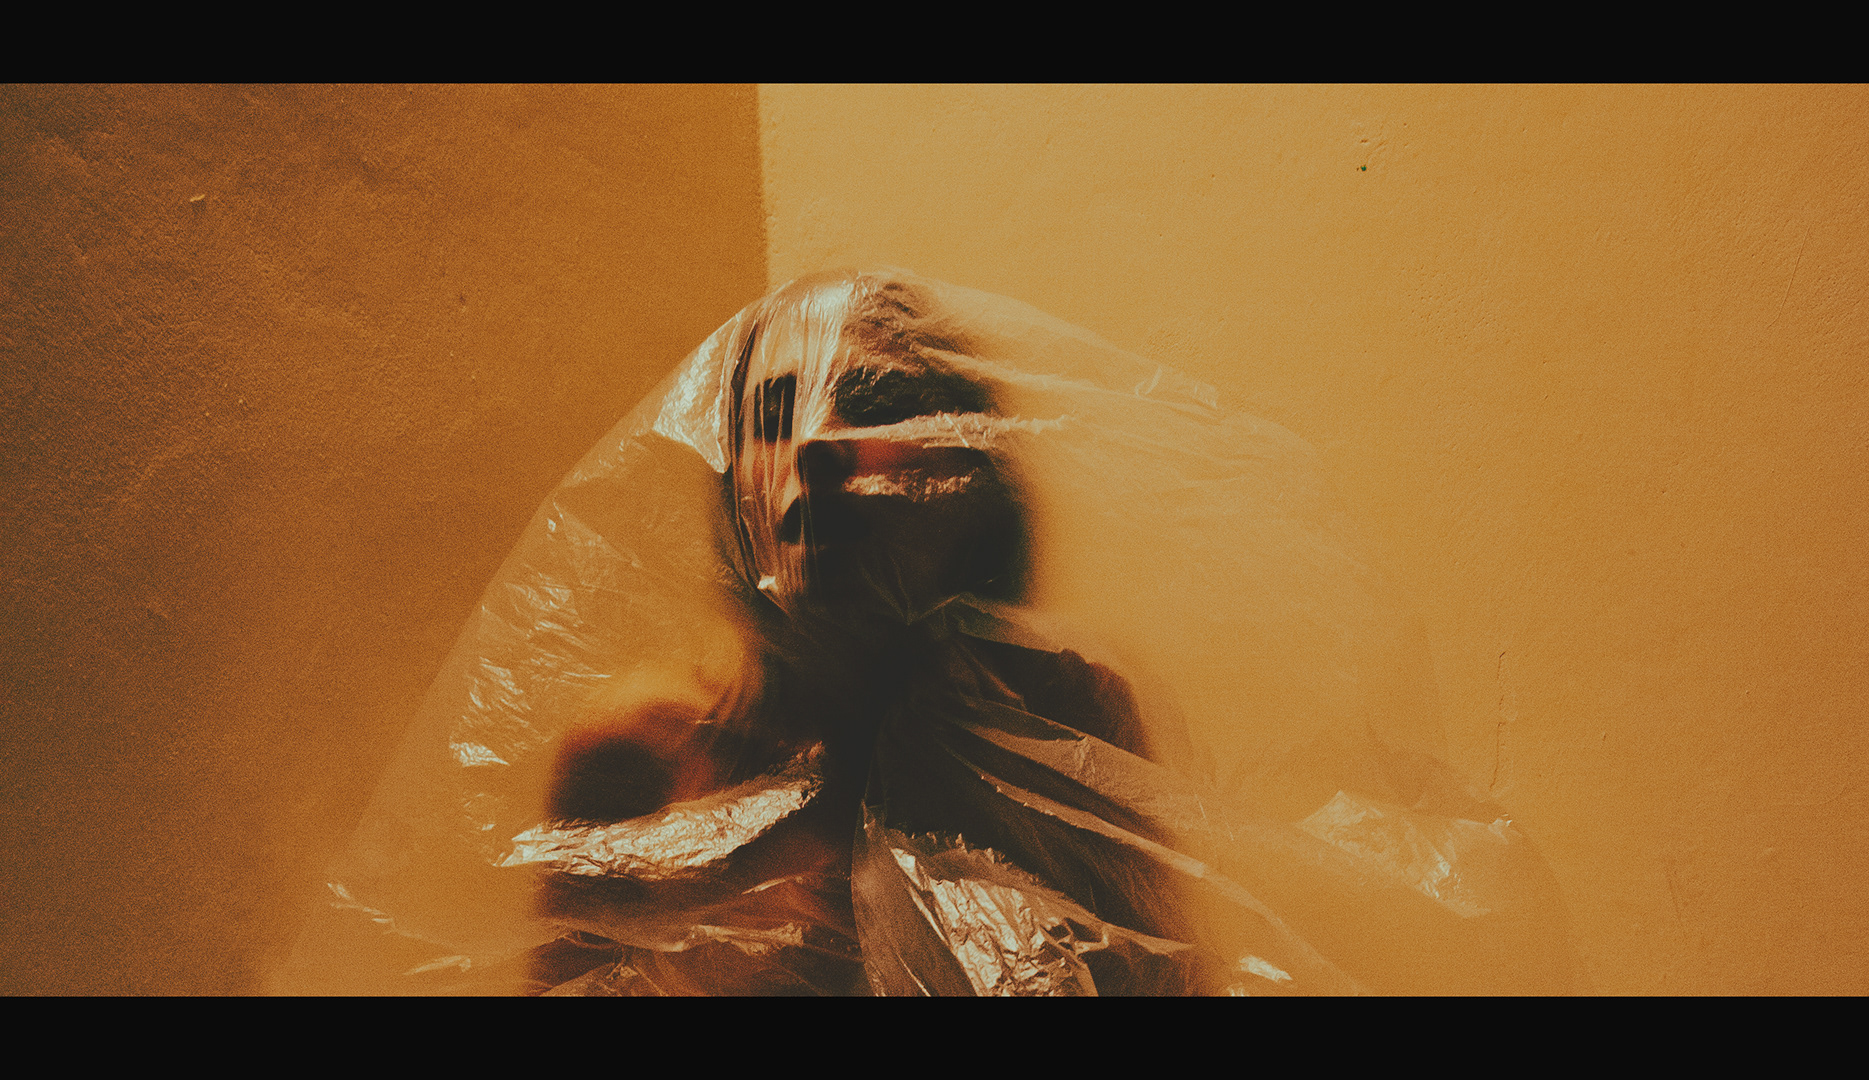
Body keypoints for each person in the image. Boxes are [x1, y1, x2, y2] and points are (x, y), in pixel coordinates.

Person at [311, 270, 1589, 995]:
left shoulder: (1062, 716)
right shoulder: (640, 754)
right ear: (726, 467)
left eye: (876, 409)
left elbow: (1165, 992)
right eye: (773, 414)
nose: (818, 451)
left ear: (963, 472)